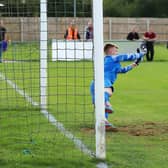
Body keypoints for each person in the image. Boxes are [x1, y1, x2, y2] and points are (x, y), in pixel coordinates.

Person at [90, 43, 145, 131]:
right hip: (102, 81)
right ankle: (105, 104)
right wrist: (140, 54)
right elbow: (125, 57)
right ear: (110, 50)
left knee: (99, 105)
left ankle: (105, 122)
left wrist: (134, 64)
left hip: (94, 83)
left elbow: (122, 70)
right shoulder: (112, 58)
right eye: (115, 50)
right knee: (108, 92)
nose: (117, 52)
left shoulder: (110, 61)